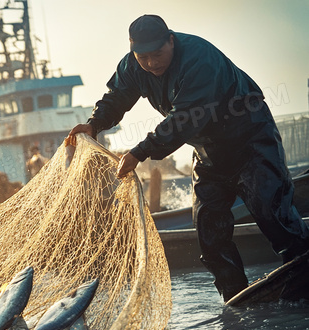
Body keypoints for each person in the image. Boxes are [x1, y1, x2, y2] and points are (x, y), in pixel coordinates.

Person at [65, 15, 309, 301]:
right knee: (209, 233)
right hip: (208, 154)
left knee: (274, 215)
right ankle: (236, 296)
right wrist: (95, 124)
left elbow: (184, 119)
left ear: (171, 40)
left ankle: (303, 281)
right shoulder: (132, 66)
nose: (152, 63)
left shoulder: (199, 58)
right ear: (133, 52)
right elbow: (116, 96)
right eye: (143, 57)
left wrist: (140, 152)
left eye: (158, 54)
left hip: (251, 141)